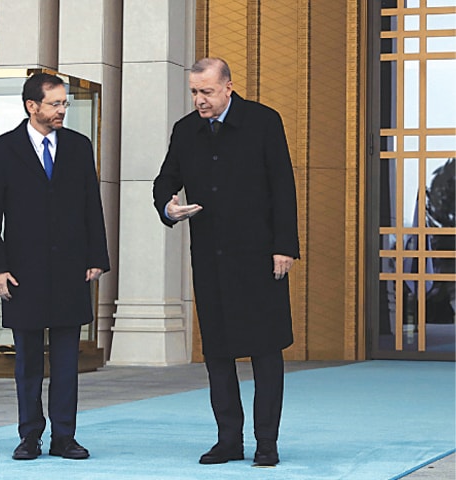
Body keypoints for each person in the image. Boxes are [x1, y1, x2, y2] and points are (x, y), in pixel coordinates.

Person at [152, 58, 300, 467]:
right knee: (218, 353)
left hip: (260, 257)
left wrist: (284, 247)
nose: (199, 100)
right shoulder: (185, 130)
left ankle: (266, 443)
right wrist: (168, 206)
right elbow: (165, 179)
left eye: (207, 92)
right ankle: (228, 441)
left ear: (229, 87)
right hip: (211, 257)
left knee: (266, 352)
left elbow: (282, 186)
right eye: (194, 92)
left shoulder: (264, 121)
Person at [0, 73, 110, 461]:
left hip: (71, 268)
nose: (62, 110)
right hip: (23, 271)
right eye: (55, 104)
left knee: (68, 362)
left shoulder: (78, 146)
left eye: (64, 104)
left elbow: (92, 205)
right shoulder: (1, 150)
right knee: (29, 362)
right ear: (31, 106)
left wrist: (97, 257)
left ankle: (64, 437)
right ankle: (29, 436)